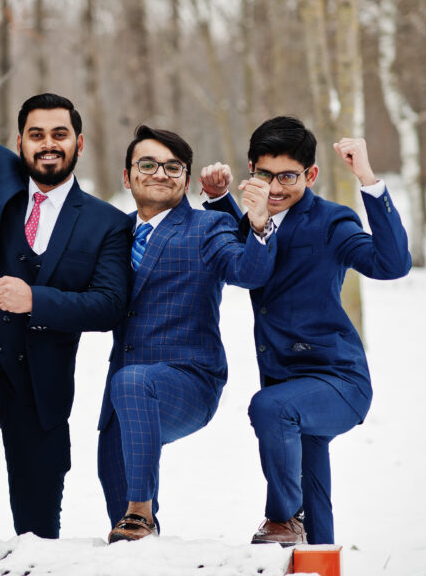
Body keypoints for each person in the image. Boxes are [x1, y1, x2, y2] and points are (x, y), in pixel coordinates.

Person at [0, 5, 131, 544]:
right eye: (36, 134)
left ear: (78, 142)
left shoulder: (107, 223)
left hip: (42, 383)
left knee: (39, 530)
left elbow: (108, 305)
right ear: (22, 140)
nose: (48, 143)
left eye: (60, 133)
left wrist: (38, 299)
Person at [200, 116, 411, 546]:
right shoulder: (257, 217)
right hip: (287, 380)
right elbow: (247, 267)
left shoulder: (330, 223)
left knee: (270, 409)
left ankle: (281, 517)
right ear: (251, 169)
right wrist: (221, 199)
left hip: (337, 380)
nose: (275, 188)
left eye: (288, 177)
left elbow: (392, 265)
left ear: (311, 174)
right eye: (265, 174)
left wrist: (367, 179)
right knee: (317, 504)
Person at [96, 125, 275, 543]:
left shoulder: (207, 228)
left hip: (190, 380)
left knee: (134, 512)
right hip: (122, 401)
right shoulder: (113, 235)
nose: (160, 172)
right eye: (147, 164)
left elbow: (248, 272)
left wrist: (260, 224)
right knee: (125, 536)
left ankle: (143, 513)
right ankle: (139, 525)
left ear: (186, 177)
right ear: (127, 177)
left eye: (173, 166)